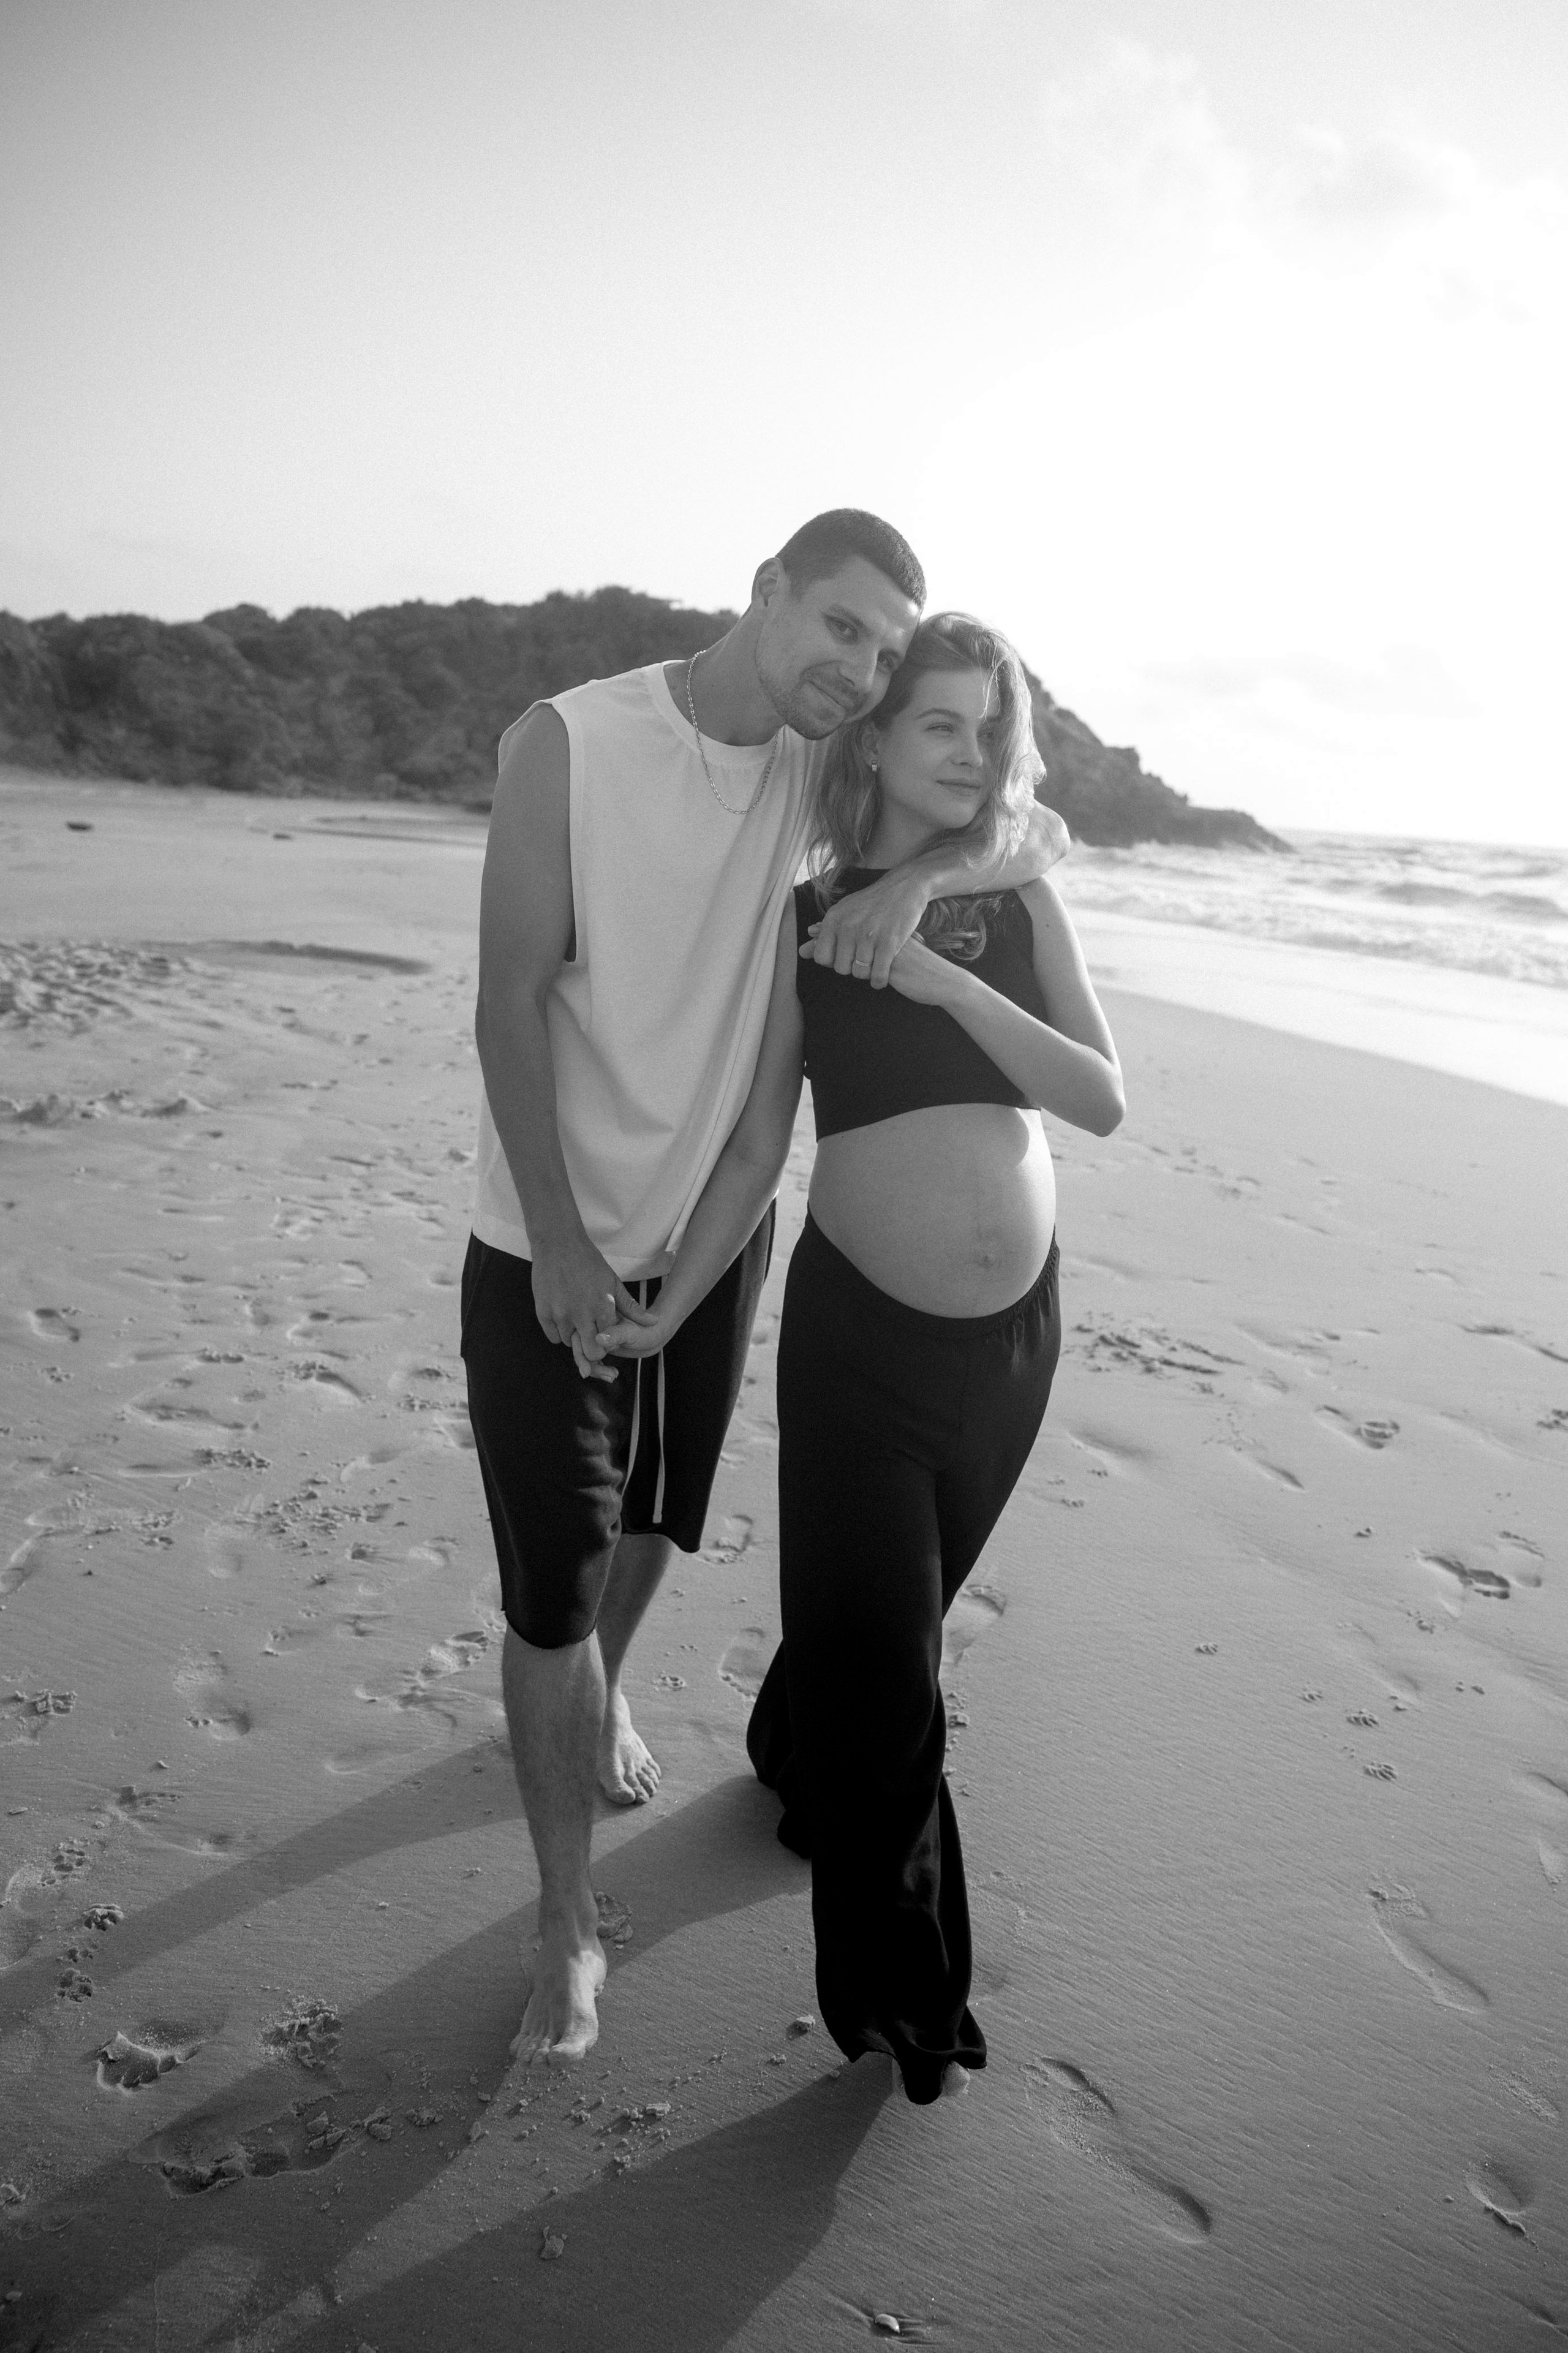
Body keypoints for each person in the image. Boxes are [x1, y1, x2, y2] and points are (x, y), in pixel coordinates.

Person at [462, 519, 1070, 2069]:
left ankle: (606, 1705)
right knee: (551, 1585)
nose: (858, 669)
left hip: (718, 1239)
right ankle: (562, 1920)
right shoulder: (572, 745)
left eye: (884, 650)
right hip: (554, 1237)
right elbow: (507, 1003)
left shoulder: (820, 760)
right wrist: (566, 1241)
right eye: (845, 628)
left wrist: (920, 884)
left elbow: (1023, 828)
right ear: (765, 594)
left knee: (662, 1521)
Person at [599, 613, 1124, 2102]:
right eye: (937, 725)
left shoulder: (1014, 899)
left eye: (985, 729)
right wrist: (673, 1297)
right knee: (897, 1677)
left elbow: (1096, 1096)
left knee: (888, 1624)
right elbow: (763, 1139)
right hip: (861, 1348)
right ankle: (906, 2009)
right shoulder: (809, 918)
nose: (965, 754)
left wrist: (941, 968)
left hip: (1014, 1347)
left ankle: (787, 1731)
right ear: (878, 740)